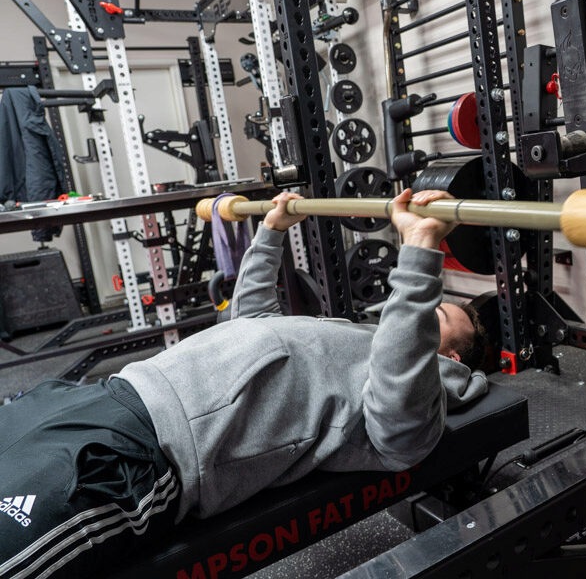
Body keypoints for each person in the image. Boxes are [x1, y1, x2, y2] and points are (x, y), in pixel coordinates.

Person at [0, 188, 489, 579]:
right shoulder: (358, 335)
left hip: (143, 452)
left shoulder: (413, 395)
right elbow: (251, 320)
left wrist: (421, 251)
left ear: (448, 356)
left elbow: (400, 422)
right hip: (107, 393)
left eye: (439, 310)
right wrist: (271, 234)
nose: (423, 305)